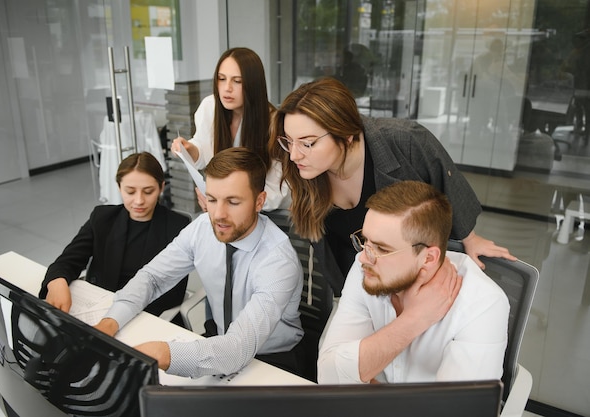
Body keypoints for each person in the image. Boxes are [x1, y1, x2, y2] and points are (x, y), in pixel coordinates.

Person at [269, 77, 515, 297]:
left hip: (412, 276)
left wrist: (468, 237)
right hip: (355, 280)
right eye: (288, 141)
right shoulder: (305, 169)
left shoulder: (406, 142)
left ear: (346, 135)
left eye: (308, 143)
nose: (294, 155)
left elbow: (445, 179)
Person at [94, 147, 304, 378]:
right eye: (212, 200)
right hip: (218, 337)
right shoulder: (203, 227)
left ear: (259, 201)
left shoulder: (278, 261)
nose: (218, 214)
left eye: (233, 202)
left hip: (271, 358)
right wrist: (110, 322)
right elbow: (153, 277)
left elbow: (238, 348)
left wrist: (165, 353)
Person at [317, 181, 510, 384]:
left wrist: (362, 378)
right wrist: (414, 320)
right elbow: (329, 377)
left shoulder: (483, 303)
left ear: (428, 258)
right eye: (365, 241)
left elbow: (457, 407)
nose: (364, 257)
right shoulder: (366, 269)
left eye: (381, 249)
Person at [39, 152, 190, 317]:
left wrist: (120, 315)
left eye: (148, 192)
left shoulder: (178, 226)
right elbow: (68, 260)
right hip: (101, 309)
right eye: (130, 192)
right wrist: (57, 282)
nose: (139, 201)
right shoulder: (103, 218)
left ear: (161, 187)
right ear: (119, 187)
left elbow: (172, 292)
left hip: (148, 315)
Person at [171, 47, 290, 211]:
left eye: (237, 81)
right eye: (221, 79)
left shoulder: (273, 124)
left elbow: (280, 192)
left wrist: (222, 200)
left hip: (262, 214)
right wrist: (190, 150)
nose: (227, 88)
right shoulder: (210, 106)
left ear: (253, 85)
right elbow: (205, 149)